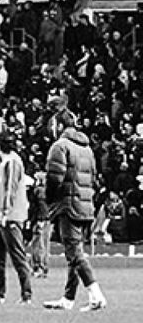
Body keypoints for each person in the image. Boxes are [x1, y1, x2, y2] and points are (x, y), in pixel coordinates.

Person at [42, 113, 107, 311]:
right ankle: (68, 298)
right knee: (76, 253)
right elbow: (94, 178)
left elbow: (55, 178)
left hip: (69, 205)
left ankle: (96, 295)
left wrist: (49, 199)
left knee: (74, 253)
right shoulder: (86, 148)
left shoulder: (60, 146)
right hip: (86, 205)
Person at [0, 130, 33, 305]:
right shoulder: (4, 162)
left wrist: (5, 212)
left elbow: (10, 189)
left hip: (9, 217)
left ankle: (27, 295)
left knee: (18, 256)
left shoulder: (12, 163)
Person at [27, 170, 51, 278]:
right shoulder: (47, 191)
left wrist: (35, 219)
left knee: (39, 244)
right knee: (43, 244)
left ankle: (38, 267)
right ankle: (41, 267)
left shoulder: (38, 191)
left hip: (40, 219)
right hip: (46, 219)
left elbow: (38, 207)